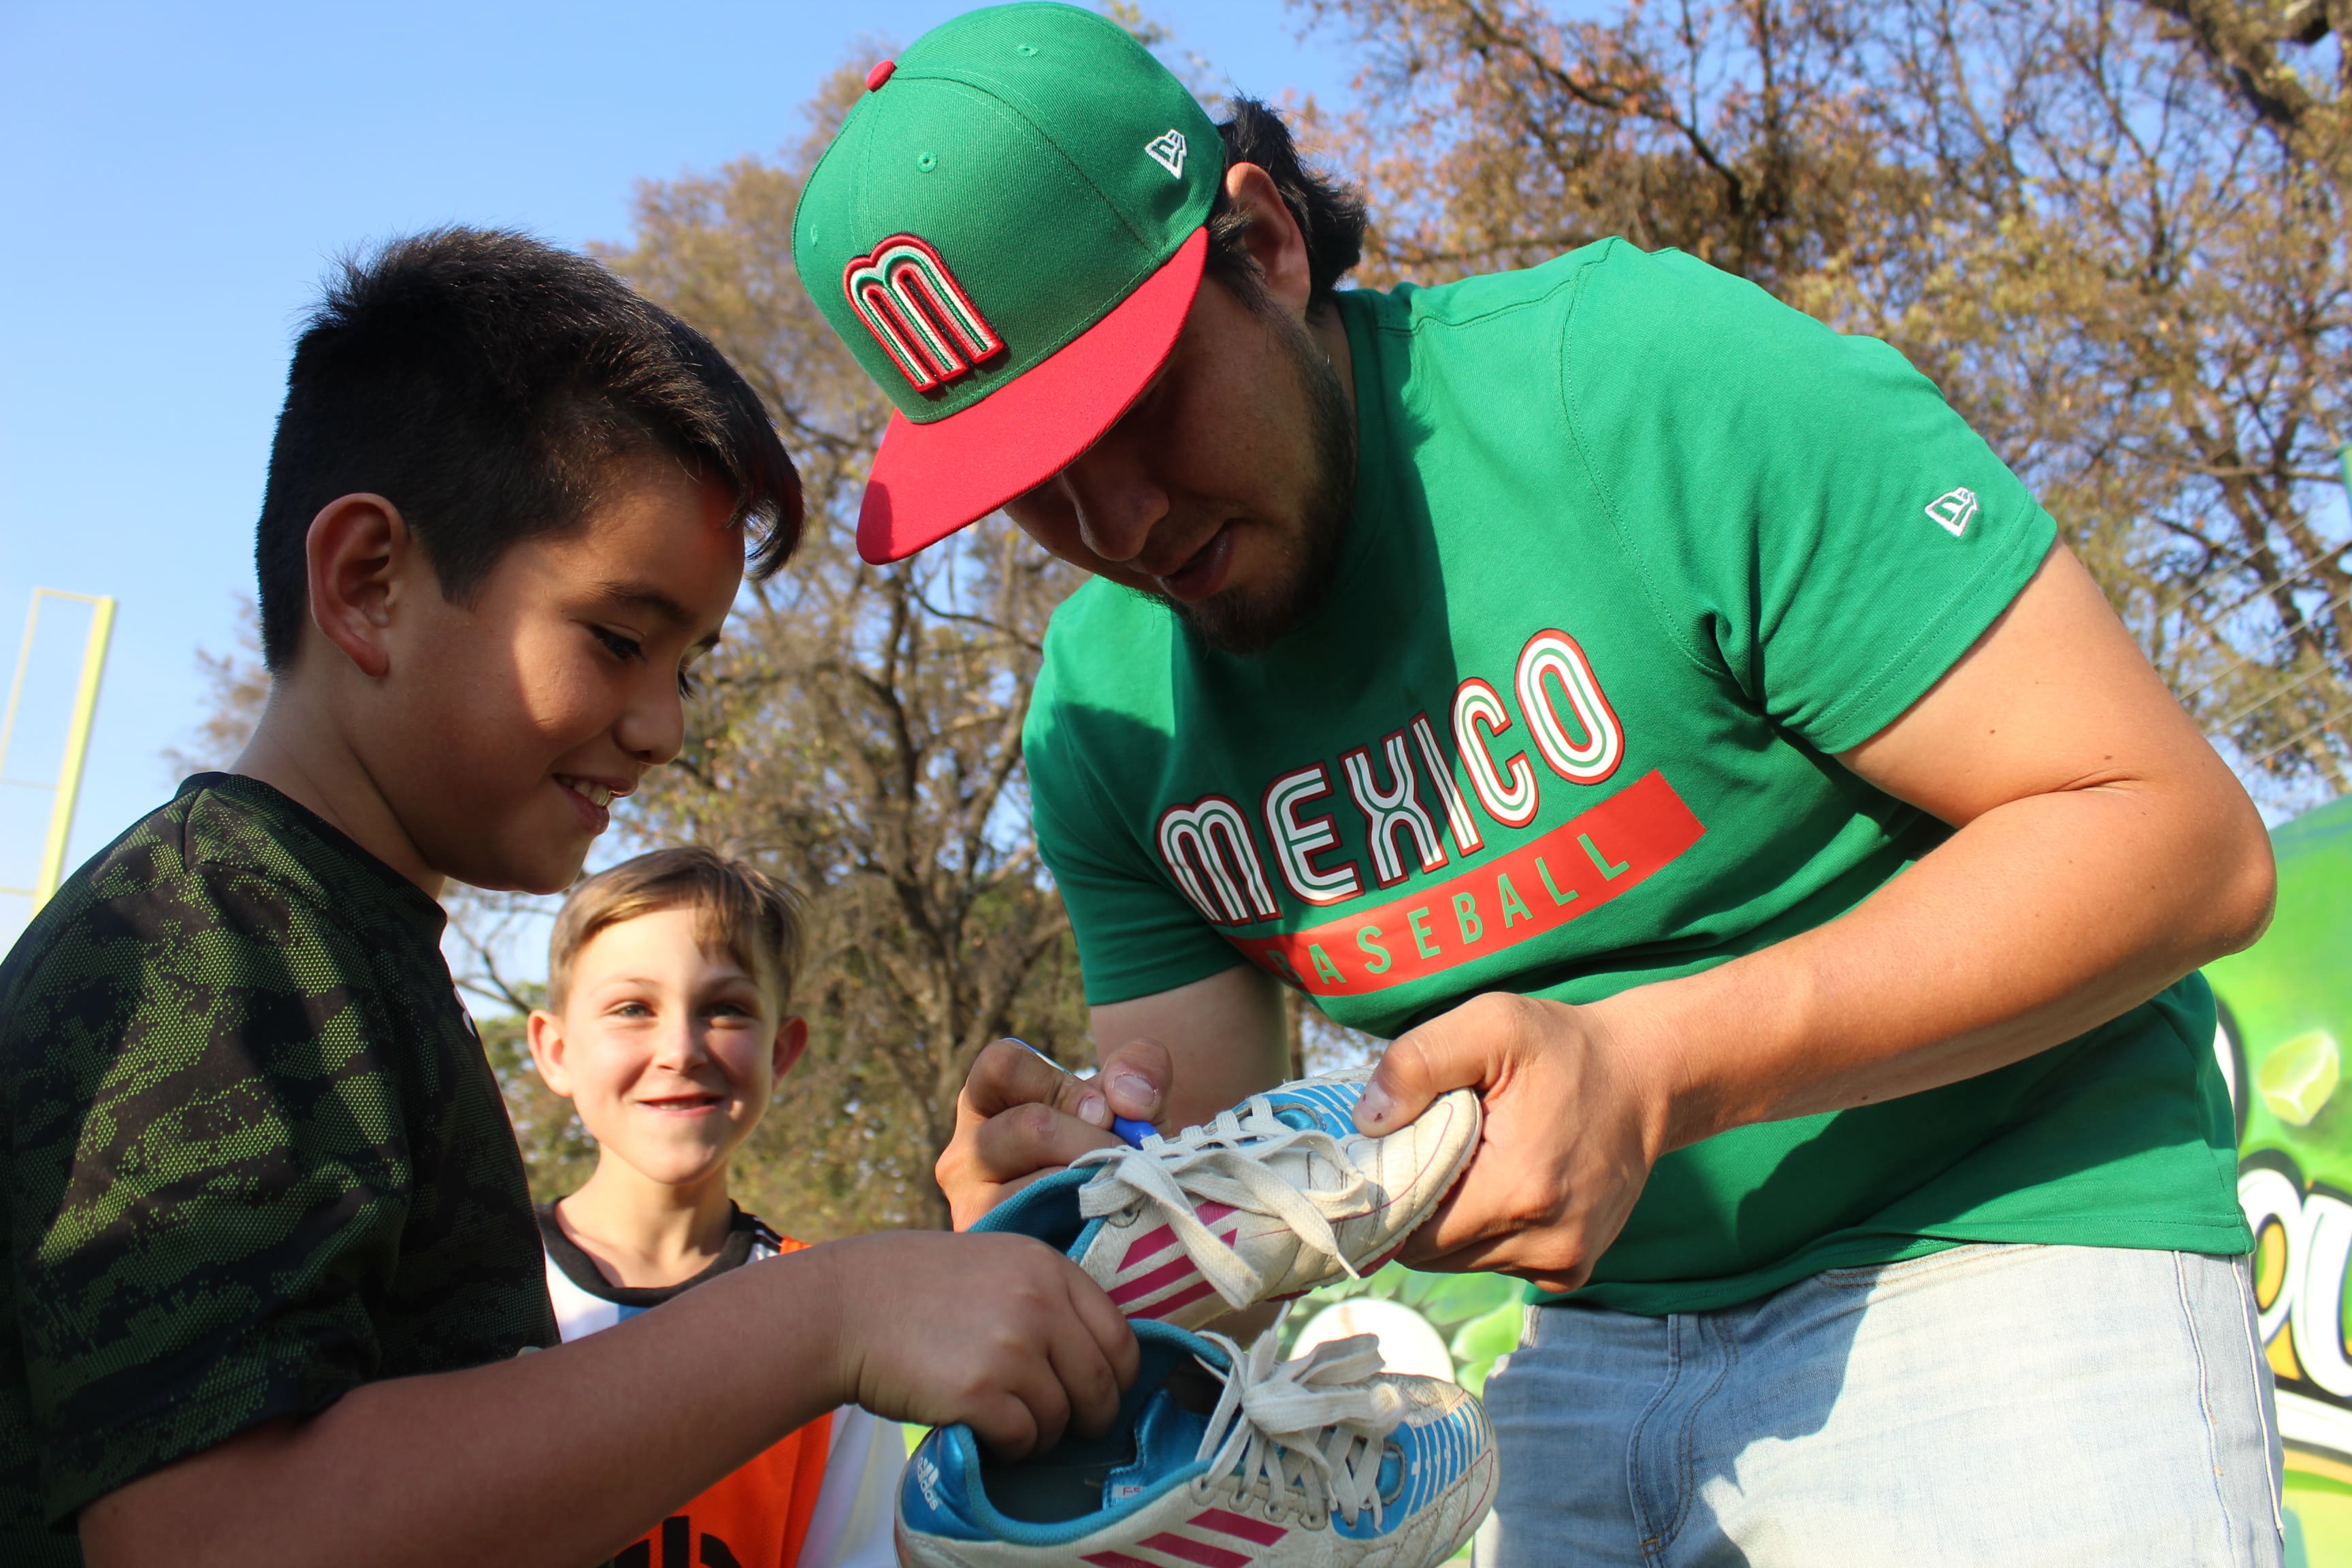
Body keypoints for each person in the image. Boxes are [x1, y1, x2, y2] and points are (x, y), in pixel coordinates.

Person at [791, 6, 2284, 1564]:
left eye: (1131, 400)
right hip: (1580, 1336)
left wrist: (1653, 1066)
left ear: (1261, 245)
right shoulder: (1104, 721)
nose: (1115, 518)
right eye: (1026, 473)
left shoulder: (1632, 387)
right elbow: (1223, 1174)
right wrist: (1084, 1221)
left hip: (1995, 1237)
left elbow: (2173, 838)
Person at [0, 227, 1135, 1568]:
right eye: (615, 639)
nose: (660, 727)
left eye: (691, 666)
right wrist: (829, 1317)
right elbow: (209, 1535)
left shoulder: (339, 937)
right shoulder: (211, 938)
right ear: (369, 583)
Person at [527, 847, 900, 1568]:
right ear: (556, 1050)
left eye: (725, 1008)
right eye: (633, 1008)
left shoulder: (830, 1323)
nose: (680, 1048)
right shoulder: (465, 1290)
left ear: (781, 1052)